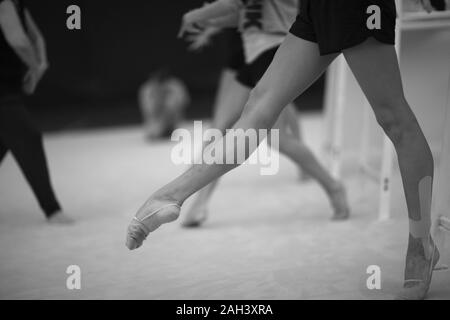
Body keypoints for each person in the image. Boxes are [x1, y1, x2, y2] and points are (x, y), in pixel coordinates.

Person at [127, 0, 439, 300]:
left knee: (393, 119)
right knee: (257, 109)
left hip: (356, 4)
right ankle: (171, 195)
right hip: (316, 7)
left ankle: (420, 242)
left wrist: (201, 15)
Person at [182, 24, 349, 227]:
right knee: (219, 128)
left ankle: (332, 186)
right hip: (240, 50)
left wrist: (206, 19)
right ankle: (200, 202)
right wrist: (212, 23)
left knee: (277, 138)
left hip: (267, 51)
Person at [0, 0, 73, 224]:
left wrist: (39, 66)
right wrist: (34, 66)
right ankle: (51, 209)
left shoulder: (16, 3)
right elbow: (19, 40)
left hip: (8, 85)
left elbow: (35, 37)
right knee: (28, 137)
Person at [138, 69, 190, 140]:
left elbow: (184, 102)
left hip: (174, 118)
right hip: (155, 119)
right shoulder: (147, 89)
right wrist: (158, 100)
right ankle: (159, 128)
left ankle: (170, 127)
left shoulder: (175, 86)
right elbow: (148, 110)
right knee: (155, 132)